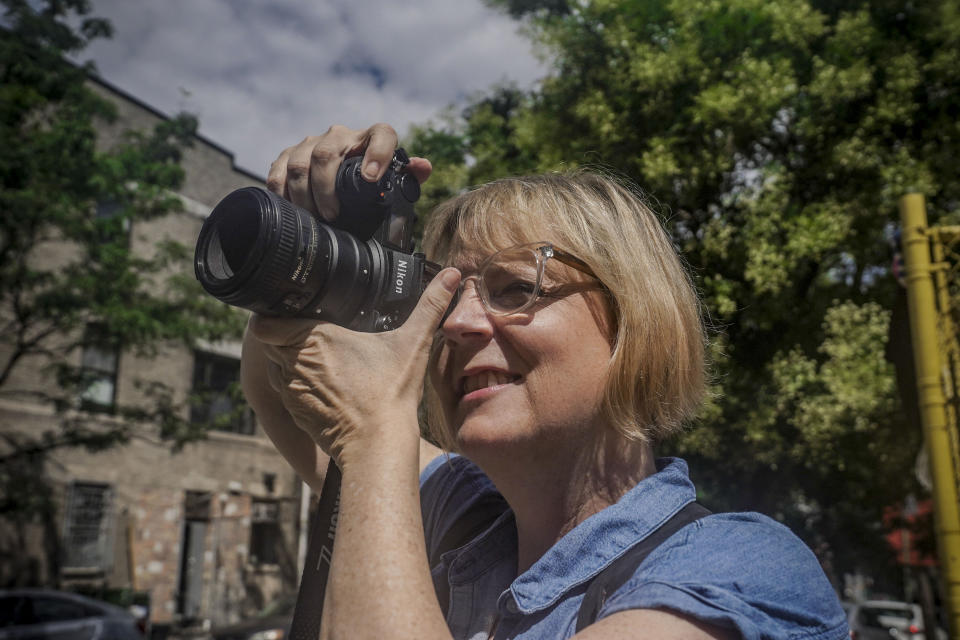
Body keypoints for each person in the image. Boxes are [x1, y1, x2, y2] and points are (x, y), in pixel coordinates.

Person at [240, 123, 850, 639]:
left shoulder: (734, 569)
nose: (459, 325)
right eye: (445, 299)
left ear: (633, 322)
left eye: (516, 289)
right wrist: (314, 249)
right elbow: (274, 388)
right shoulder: (461, 512)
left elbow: (365, 454)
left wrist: (372, 432)